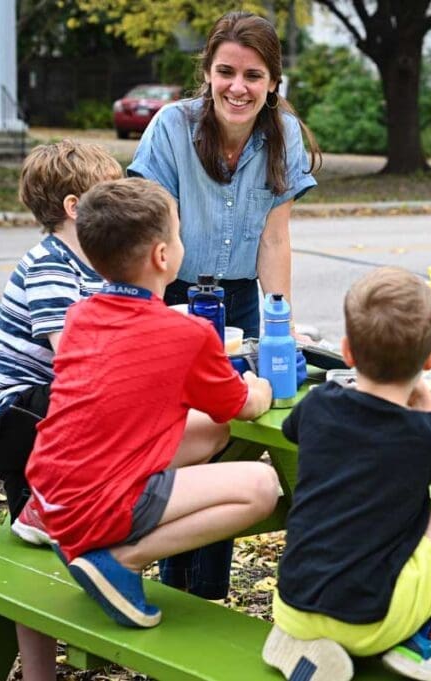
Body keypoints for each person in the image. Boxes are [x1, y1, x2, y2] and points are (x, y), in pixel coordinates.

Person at [24, 178, 280, 628]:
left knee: (213, 431)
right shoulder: (188, 334)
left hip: (50, 494)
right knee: (261, 485)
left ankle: (94, 541)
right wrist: (263, 388)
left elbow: (213, 419)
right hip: (95, 507)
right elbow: (243, 405)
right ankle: (123, 560)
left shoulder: (81, 315)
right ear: (163, 257)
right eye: (178, 235)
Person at [127, 10, 319, 599]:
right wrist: (156, 319)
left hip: (238, 301)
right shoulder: (171, 127)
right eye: (227, 72)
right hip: (173, 292)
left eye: (254, 76)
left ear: (272, 83)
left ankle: (205, 594)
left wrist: (278, 322)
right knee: (176, 439)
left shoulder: (284, 136)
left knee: (230, 430)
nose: (239, 86)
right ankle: (168, 586)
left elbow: (275, 238)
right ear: (208, 73)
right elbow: (153, 230)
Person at [263, 267, 431, 681]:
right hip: (370, 621)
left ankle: (306, 641)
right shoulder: (421, 431)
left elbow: (294, 430)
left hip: (292, 605)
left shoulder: (317, 407)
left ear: (347, 352)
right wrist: (428, 406)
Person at [0, 139, 122, 681]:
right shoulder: (51, 267)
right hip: (11, 416)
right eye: (112, 195)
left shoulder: (93, 266)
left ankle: (41, 674)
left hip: (40, 415)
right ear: (78, 207)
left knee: (34, 549)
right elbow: (75, 361)